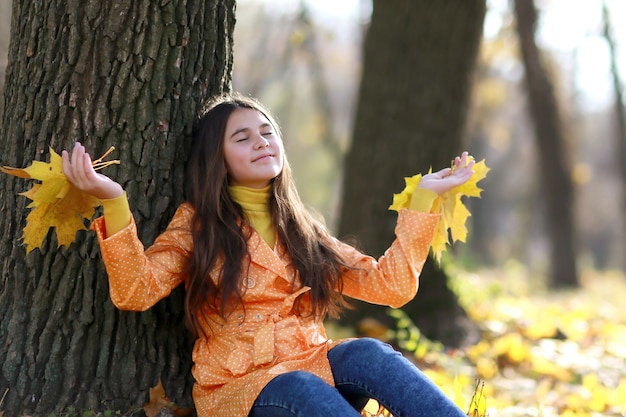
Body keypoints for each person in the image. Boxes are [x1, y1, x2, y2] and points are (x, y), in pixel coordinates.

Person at [62, 93, 475, 417]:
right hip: (242, 387)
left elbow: (392, 287)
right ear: (217, 160)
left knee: (368, 352)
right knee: (301, 387)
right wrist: (114, 201)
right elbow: (135, 290)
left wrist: (423, 201)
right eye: (242, 138)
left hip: (311, 361)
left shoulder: (303, 226)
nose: (261, 142)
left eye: (267, 132)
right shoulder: (198, 224)